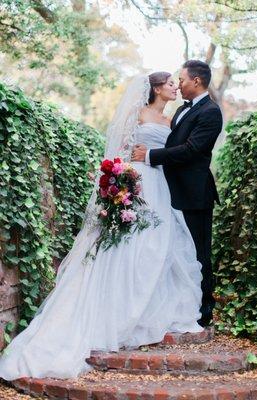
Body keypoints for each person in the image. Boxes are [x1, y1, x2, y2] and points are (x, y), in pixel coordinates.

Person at [0, 72, 203, 380]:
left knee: (159, 246)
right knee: (129, 245)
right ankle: (119, 309)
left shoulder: (172, 120)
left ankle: (149, 307)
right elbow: (119, 152)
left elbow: (174, 153)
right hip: (138, 182)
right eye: (171, 83)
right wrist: (122, 185)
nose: (176, 86)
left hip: (162, 185)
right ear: (157, 88)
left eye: (178, 82)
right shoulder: (138, 113)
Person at [132, 60, 223, 327]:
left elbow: (192, 150)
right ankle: (179, 303)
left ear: (196, 81)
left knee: (198, 251)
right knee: (177, 250)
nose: (178, 84)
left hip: (195, 193)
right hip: (169, 190)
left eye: (181, 80)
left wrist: (149, 155)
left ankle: (204, 311)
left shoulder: (210, 112)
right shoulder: (183, 110)